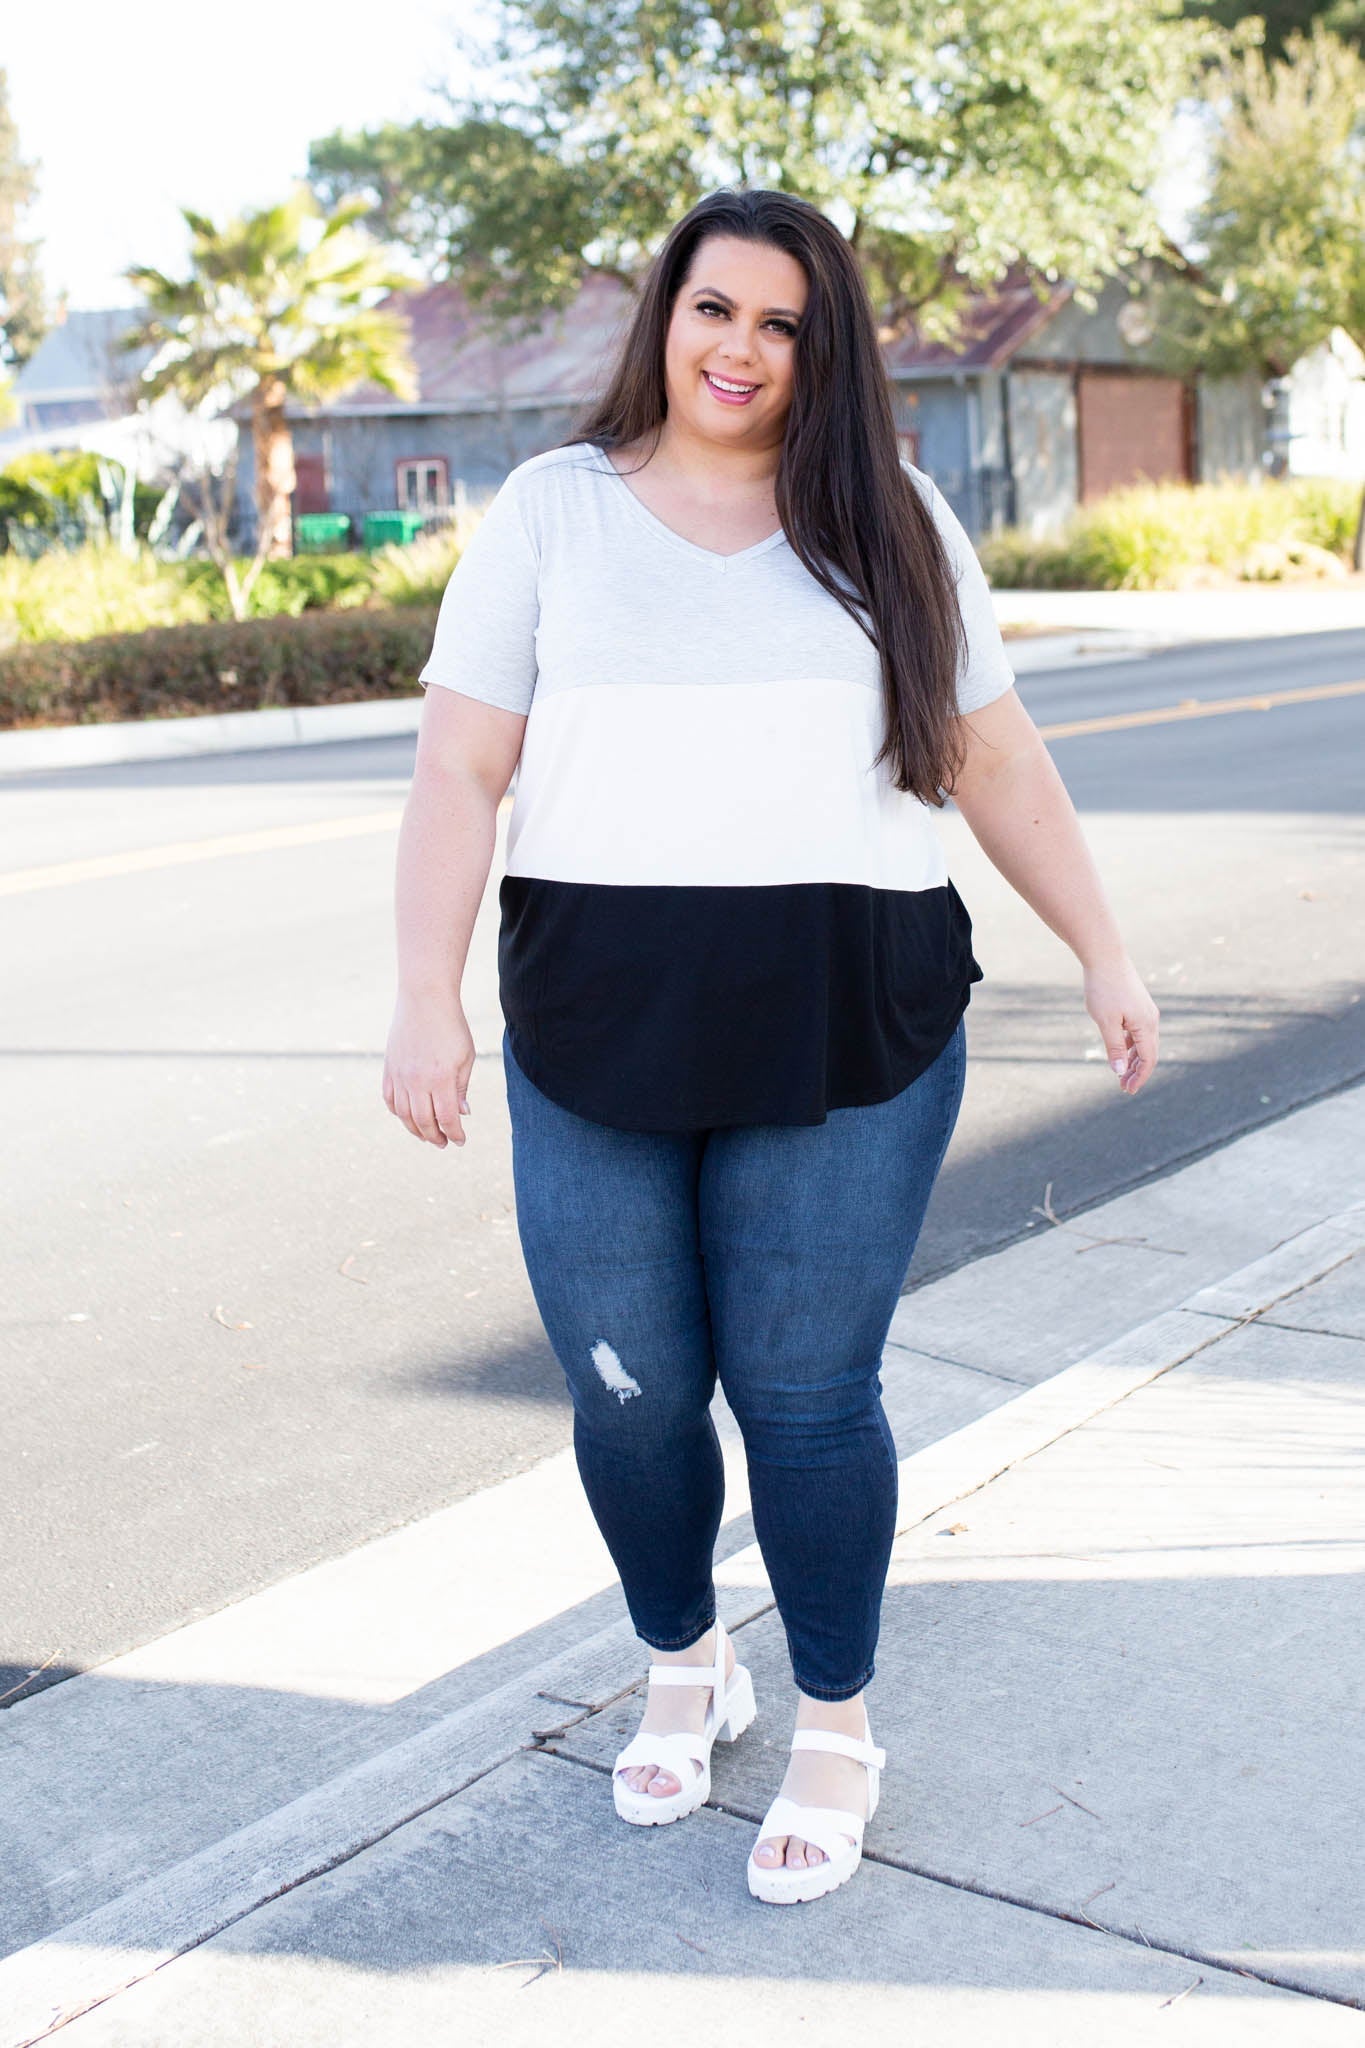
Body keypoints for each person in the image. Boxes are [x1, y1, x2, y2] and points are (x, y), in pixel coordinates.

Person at [383, 187, 1160, 1906]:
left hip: (847, 1019)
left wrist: (1101, 948)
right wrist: (423, 990)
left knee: (806, 1399)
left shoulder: (889, 520)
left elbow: (998, 763)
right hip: (597, 1019)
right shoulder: (552, 516)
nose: (739, 348)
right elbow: (459, 770)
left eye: (782, 323)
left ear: (827, 351)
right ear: (665, 314)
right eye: (712, 308)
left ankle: (832, 1720)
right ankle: (684, 1663)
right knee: (632, 1395)